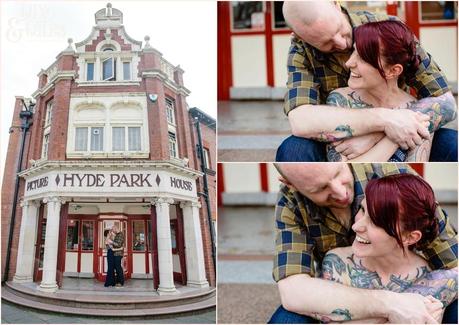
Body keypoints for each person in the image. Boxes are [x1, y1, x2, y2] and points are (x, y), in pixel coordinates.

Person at [269, 163, 457, 324]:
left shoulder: (392, 174)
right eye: (319, 188)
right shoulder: (336, 260)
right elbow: (293, 290)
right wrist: (392, 307)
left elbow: (455, 264)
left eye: (337, 174)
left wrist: (420, 307)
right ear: (291, 184)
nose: (356, 226)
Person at [276, 1, 457, 162]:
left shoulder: (387, 30)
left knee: (453, 144)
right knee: (294, 150)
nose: (341, 44)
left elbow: (445, 103)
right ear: (300, 36)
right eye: (325, 43)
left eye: (340, 31)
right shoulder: (301, 50)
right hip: (339, 139)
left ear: (336, 4)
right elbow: (300, 120)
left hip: (402, 120)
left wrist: (381, 133)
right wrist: (384, 122)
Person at [317, 174, 457, 323]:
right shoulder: (337, 263)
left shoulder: (426, 276)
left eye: (376, 222)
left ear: (409, 238)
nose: (355, 226)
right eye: (362, 210)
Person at [325, 21, 432, 162]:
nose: (349, 63)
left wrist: (388, 138)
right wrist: (392, 136)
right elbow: (342, 169)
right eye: (354, 51)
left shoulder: (416, 111)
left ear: (393, 71)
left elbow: (412, 168)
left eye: (363, 58)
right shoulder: (339, 100)